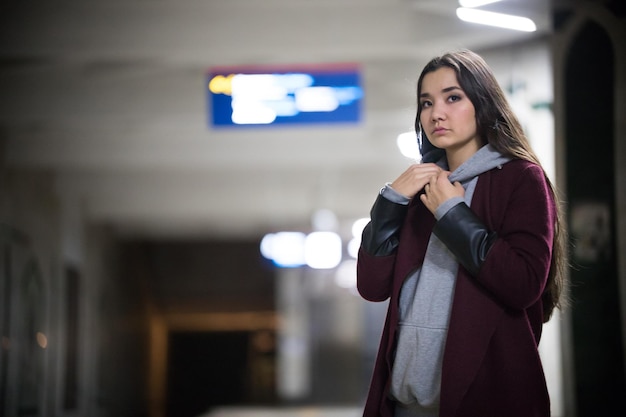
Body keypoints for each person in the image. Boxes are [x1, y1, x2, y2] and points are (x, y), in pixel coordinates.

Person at [356, 49, 567, 417]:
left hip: (489, 401)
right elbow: (372, 287)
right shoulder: (420, 191)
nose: (436, 113)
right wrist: (390, 202)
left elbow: (523, 283)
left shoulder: (520, 178)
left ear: (482, 103)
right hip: (408, 403)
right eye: (426, 103)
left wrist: (453, 213)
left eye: (453, 97)